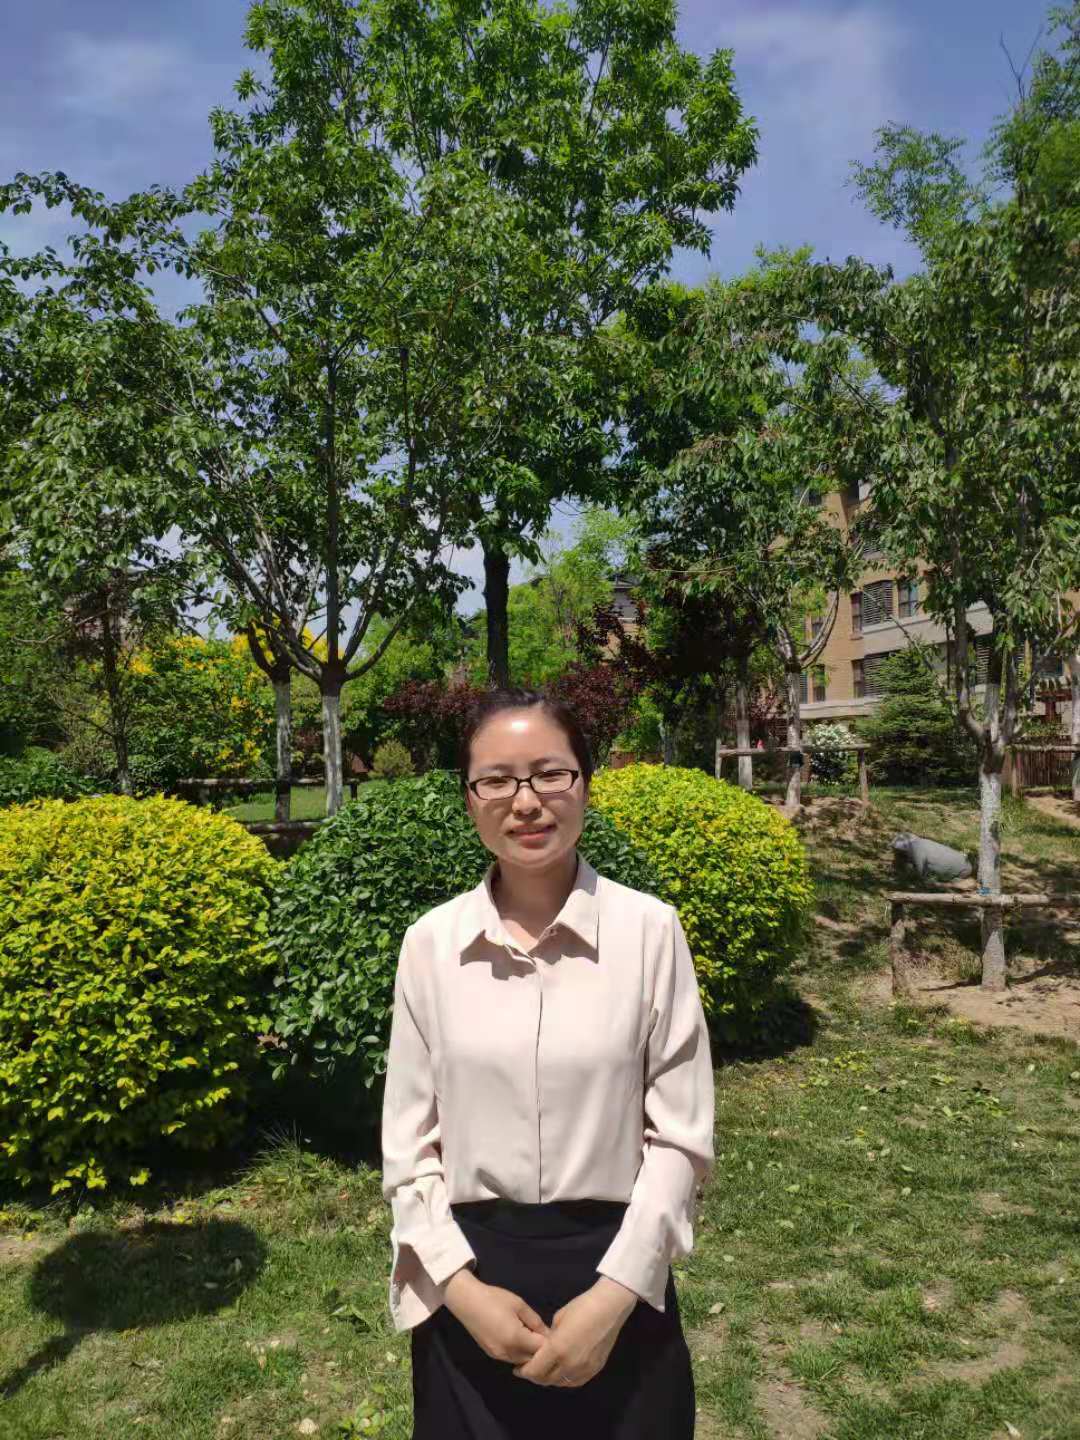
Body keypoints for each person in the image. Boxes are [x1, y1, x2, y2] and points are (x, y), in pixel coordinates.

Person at [380, 688, 715, 1439]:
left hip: (620, 1276)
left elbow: (680, 1137)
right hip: (470, 1281)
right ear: (469, 798)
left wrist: (614, 1298)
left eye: (550, 774)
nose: (526, 801)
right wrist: (461, 1291)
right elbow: (408, 1146)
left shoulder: (650, 933)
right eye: (496, 780)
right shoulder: (430, 945)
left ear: (586, 783)